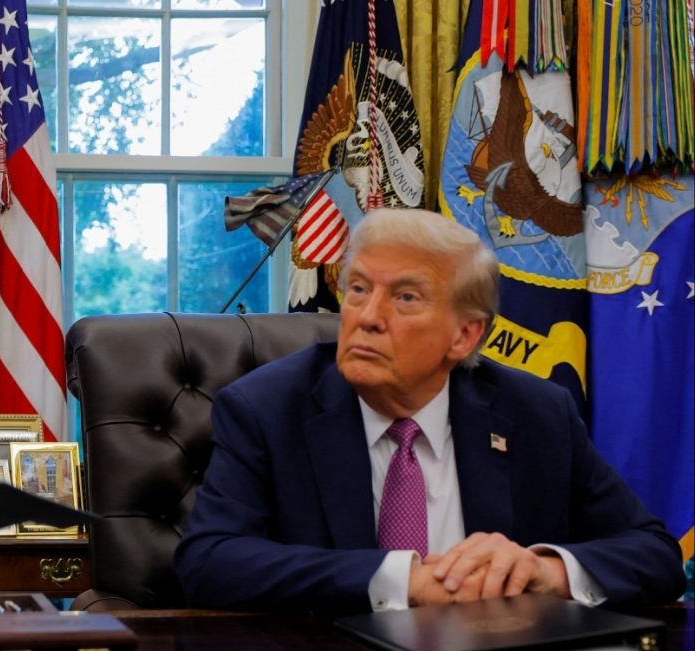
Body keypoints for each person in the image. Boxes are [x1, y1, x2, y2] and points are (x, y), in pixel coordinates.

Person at [174, 208, 684, 615]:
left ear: (464, 335)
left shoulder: (536, 414)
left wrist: (541, 571)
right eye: (358, 289)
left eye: (406, 297)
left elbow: (654, 553)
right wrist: (406, 581)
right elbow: (209, 561)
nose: (368, 317)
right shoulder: (266, 409)